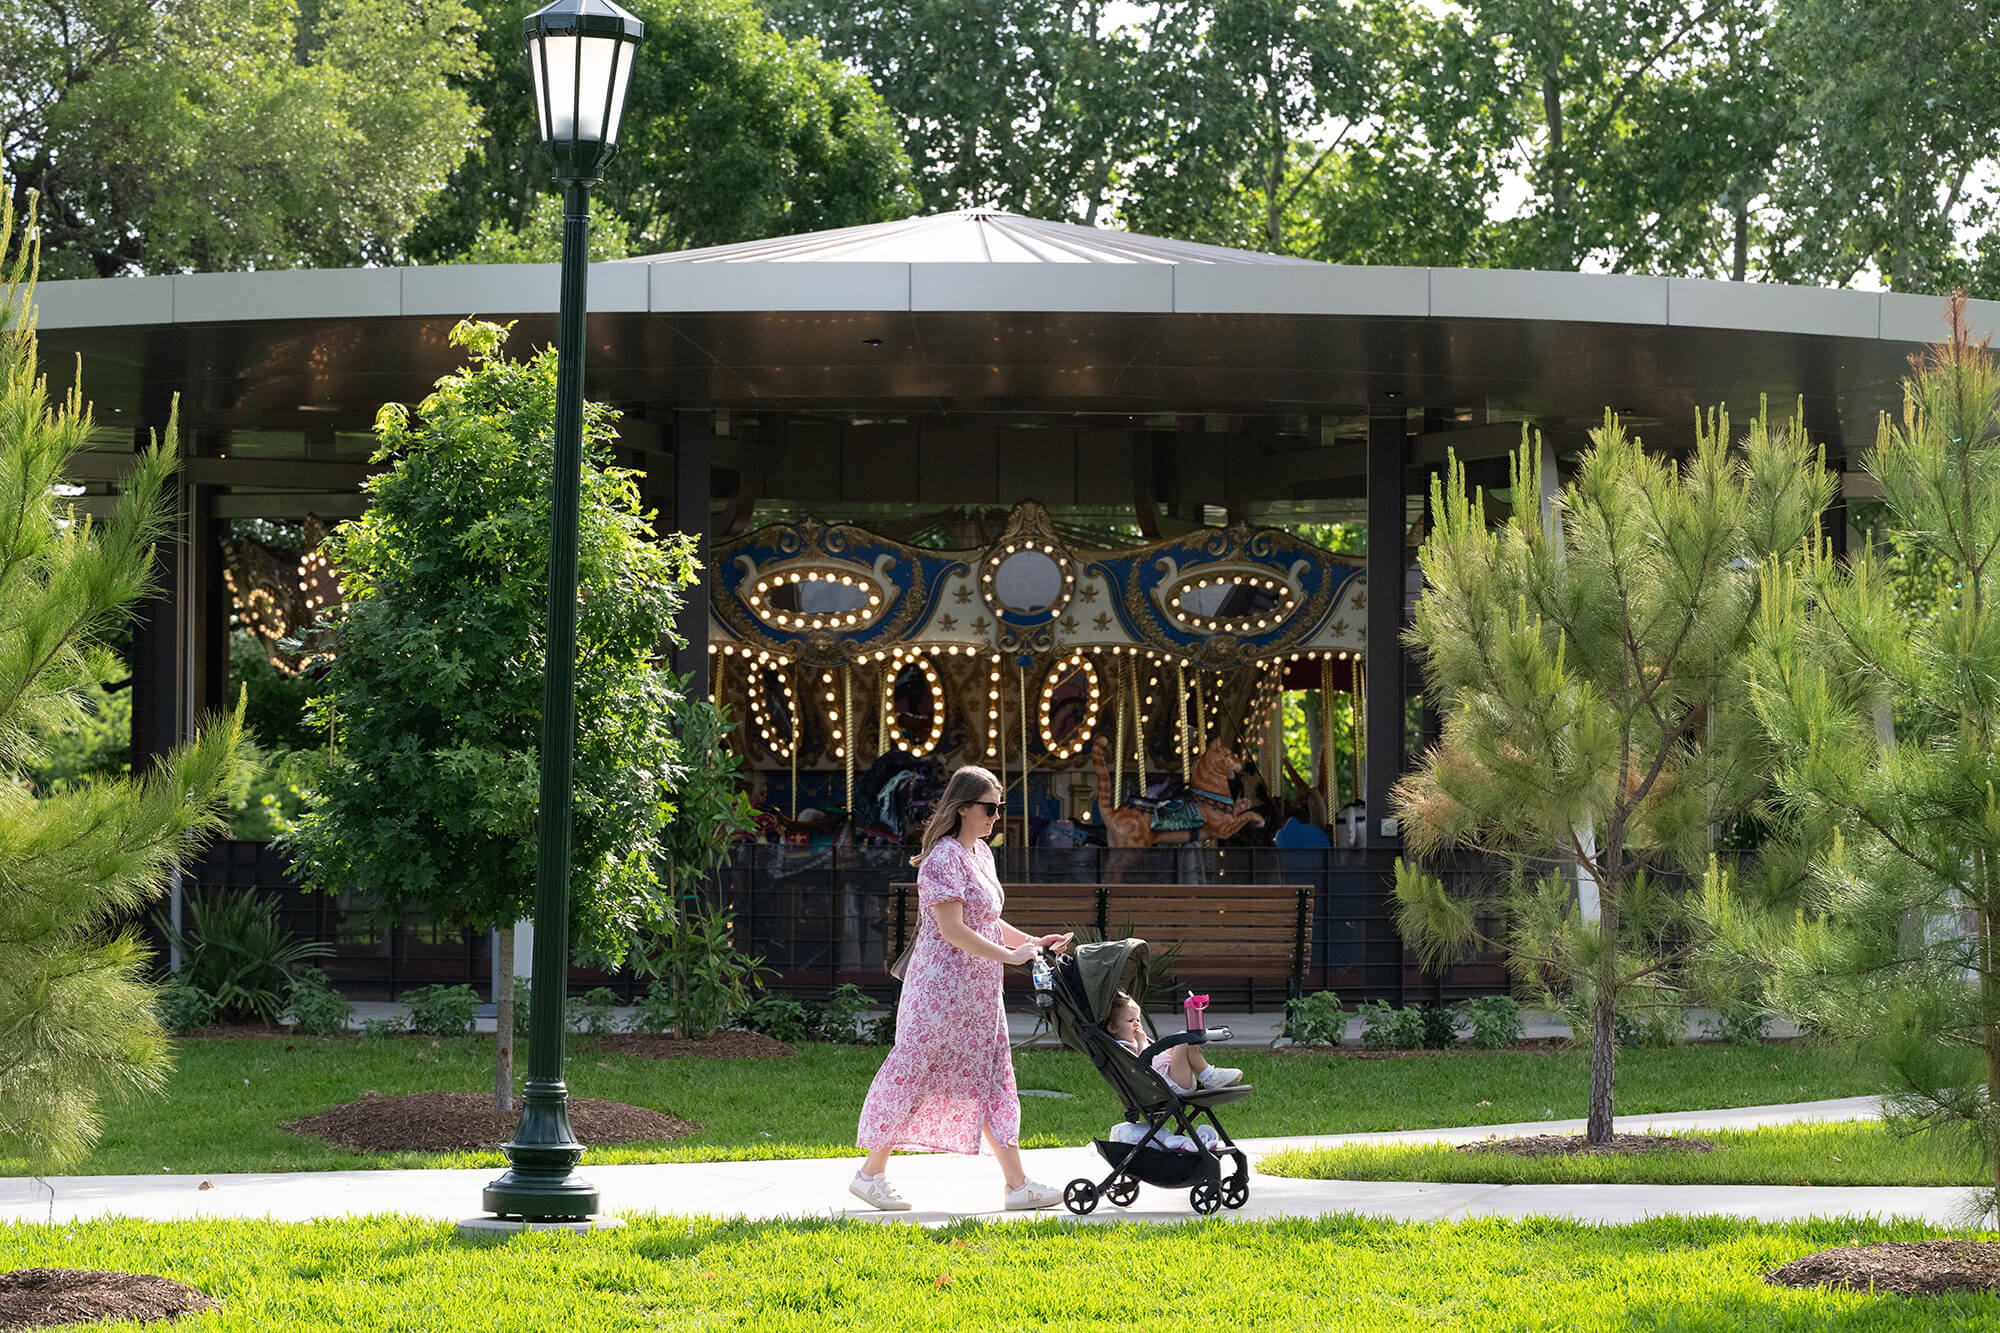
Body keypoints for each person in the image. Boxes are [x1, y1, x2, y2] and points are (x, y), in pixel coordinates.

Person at [851, 765, 1074, 1212]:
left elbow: (987, 920)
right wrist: (1009, 956)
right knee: (915, 1073)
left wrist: (1031, 943)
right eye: (989, 808)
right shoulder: (943, 858)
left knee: (992, 1079)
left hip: (978, 992)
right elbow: (952, 930)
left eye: (999, 807)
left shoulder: (981, 855)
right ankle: (870, 1174)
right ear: (963, 808)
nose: (997, 817)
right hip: (940, 991)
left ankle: (1017, 1185)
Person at [1103, 990, 1241, 1094]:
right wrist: (1142, 1042)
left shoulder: (1134, 1042)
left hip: (1172, 1077)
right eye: (1130, 1021)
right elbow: (1142, 1067)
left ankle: (1209, 1074)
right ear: (1113, 1028)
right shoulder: (1120, 1049)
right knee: (1184, 1039)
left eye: (1138, 1020)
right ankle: (1209, 1076)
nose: (1137, 1024)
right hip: (1166, 1086)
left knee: (1185, 1039)